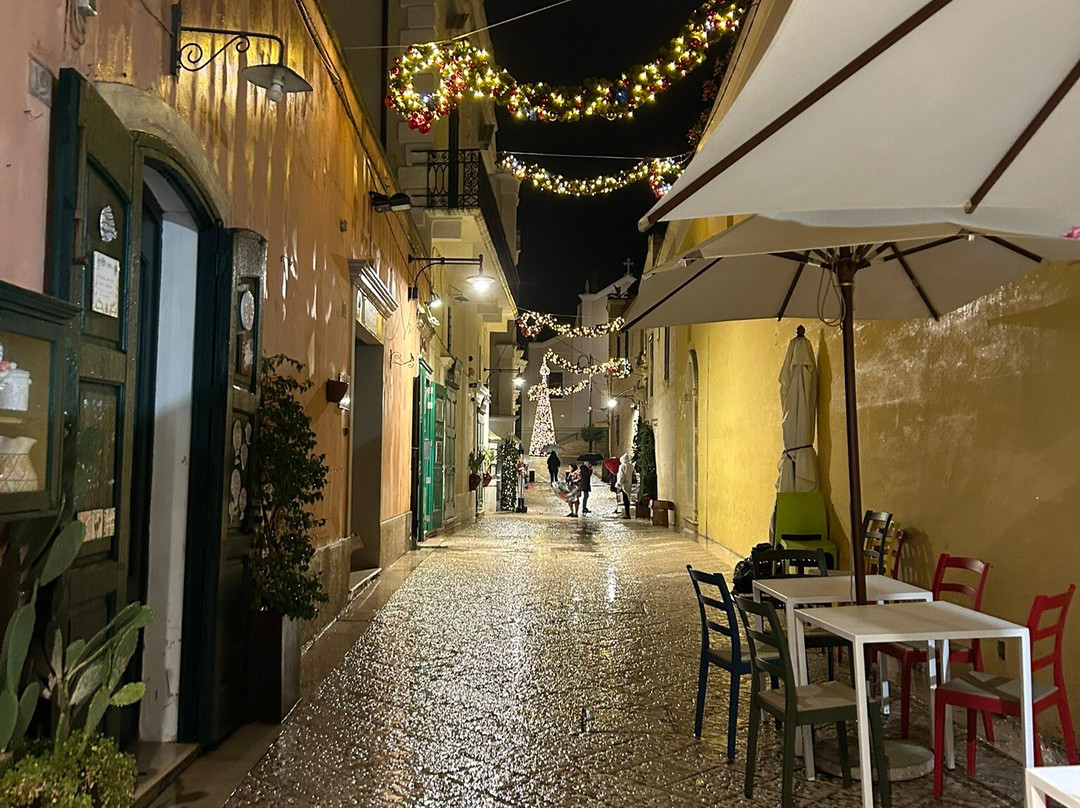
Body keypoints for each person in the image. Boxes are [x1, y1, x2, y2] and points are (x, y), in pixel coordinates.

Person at [616, 453, 633, 519]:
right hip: (629, 484)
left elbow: (621, 476)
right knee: (627, 498)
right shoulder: (631, 466)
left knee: (625, 499)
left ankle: (627, 514)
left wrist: (619, 483)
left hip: (624, 484)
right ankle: (627, 513)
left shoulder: (622, 466)